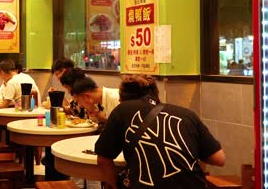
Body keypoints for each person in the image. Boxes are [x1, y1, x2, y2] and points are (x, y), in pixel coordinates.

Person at [95, 74, 225, 188]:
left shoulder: (121, 110)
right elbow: (219, 159)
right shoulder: (187, 114)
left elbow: (103, 159)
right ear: (157, 95)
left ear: (121, 99)